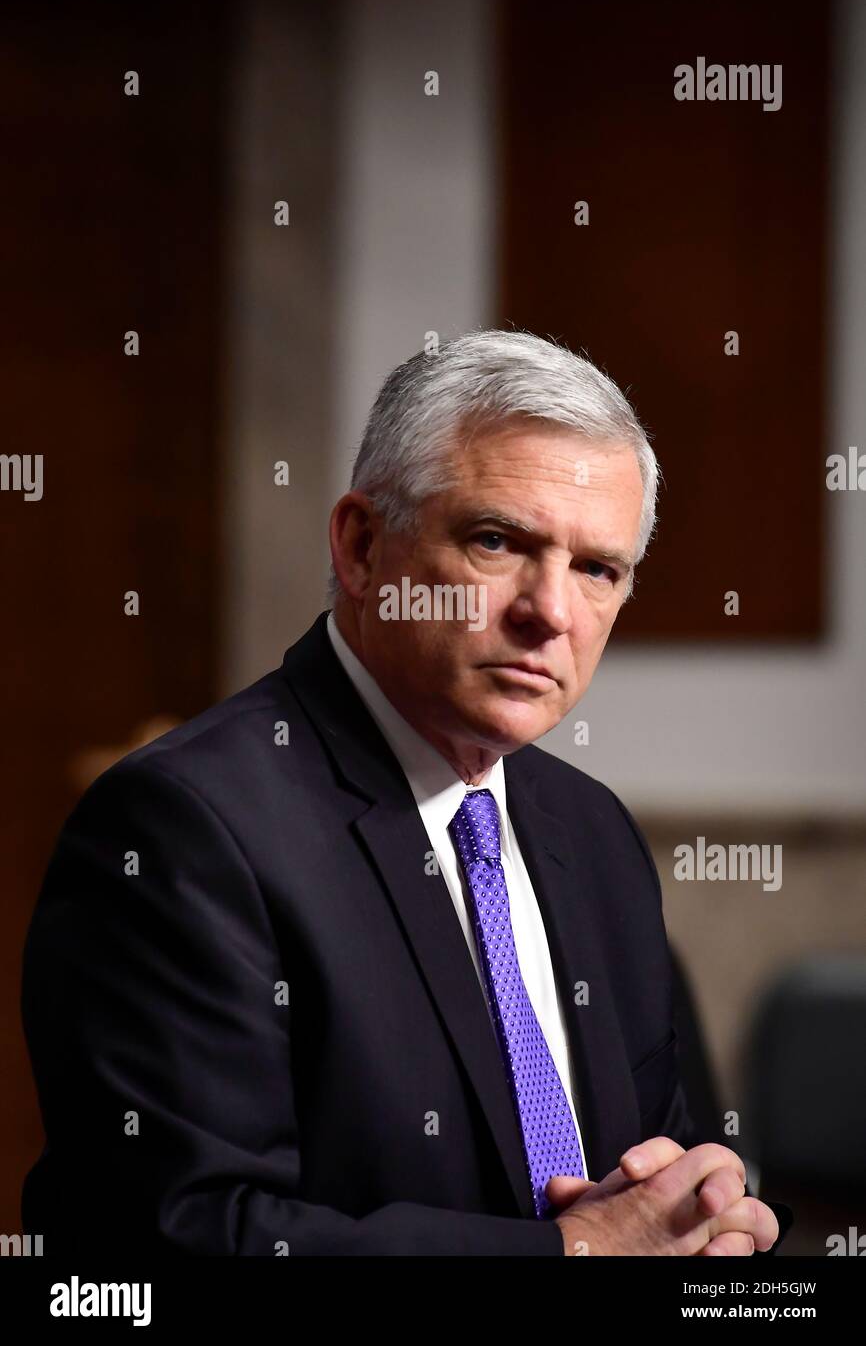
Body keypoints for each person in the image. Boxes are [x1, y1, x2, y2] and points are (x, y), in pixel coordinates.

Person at [22, 330, 787, 1256]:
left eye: (597, 569)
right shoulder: (184, 828)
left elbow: (648, 1189)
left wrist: (711, 1231)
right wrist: (566, 1255)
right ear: (360, 546)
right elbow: (176, 1237)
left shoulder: (592, 832)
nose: (551, 611)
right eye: (497, 541)